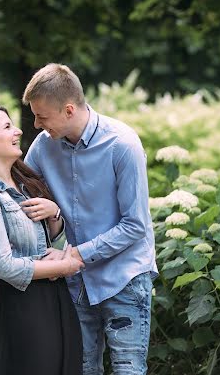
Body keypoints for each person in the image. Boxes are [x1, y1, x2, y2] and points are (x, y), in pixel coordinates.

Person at [21, 63, 158, 375]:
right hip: (76, 281)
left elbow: (135, 225)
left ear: (69, 110)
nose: (36, 124)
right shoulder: (44, 146)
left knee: (127, 370)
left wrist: (76, 254)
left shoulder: (122, 144)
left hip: (124, 276)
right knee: (79, 369)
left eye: (42, 116)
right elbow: (22, 195)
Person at [0, 105, 83, 375]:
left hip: (53, 297)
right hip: (22, 305)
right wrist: (65, 266)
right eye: (7, 127)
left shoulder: (24, 181)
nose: (18, 131)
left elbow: (41, 241)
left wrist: (55, 213)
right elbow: (4, 266)